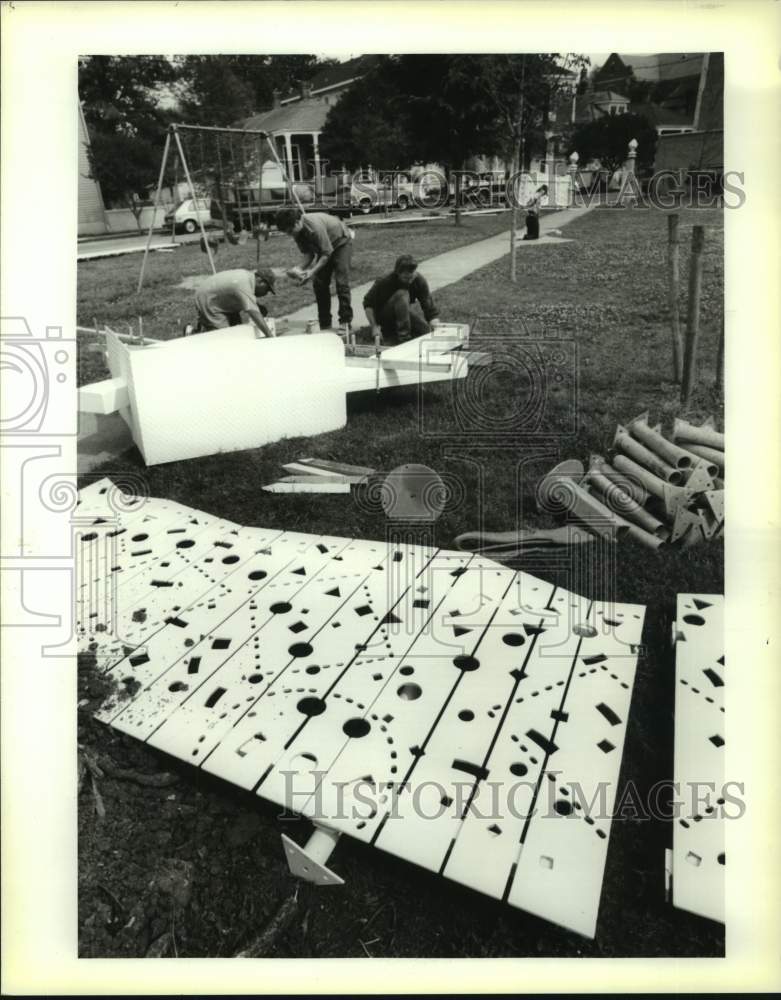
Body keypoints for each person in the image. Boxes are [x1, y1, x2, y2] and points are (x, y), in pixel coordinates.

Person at [275, 208, 353, 334]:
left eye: (290, 231)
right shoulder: (297, 231)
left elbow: (327, 253)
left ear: (297, 222)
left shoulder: (314, 226)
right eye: (287, 232)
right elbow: (309, 254)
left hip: (341, 242)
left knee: (341, 282)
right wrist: (299, 269)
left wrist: (312, 272)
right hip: (326, 248)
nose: (290, 234)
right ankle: (325, 322)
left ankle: (345, 321)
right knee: (319, 284)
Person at [363, 254, 440, 345]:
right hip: (384, 316)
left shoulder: (419, 280)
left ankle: (406, 329)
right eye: (405, 278)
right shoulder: (384, 281)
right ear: (397, 273)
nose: (409, 281)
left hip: (403, 313)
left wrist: (434, 322)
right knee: (402, 294)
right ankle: (404, 338)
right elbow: (368, 304)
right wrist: (374, 327)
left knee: (426, 331)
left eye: (411, 277)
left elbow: (428, 304)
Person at [192, 267, 277, 338]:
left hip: (220, 298)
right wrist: (270, 337)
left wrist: (257, 306)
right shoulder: (243, 284)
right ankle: (194, 335)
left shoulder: (247, 278)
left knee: (237, 330)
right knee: (225, 337)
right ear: (260, 281)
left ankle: (204, 328)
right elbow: (253, 312)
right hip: (208, 299)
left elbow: (245, 299)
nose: (266, 293)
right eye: (267, 289)